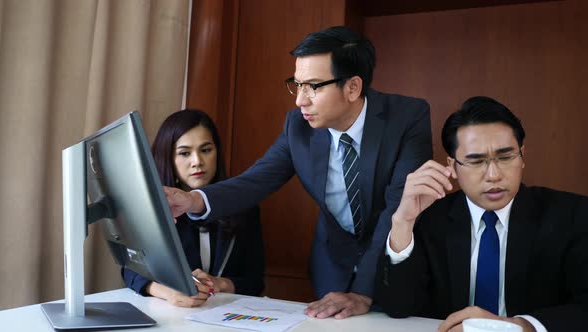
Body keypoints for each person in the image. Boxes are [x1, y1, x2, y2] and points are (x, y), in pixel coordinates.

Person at [164, 26, 432, 318]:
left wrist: (362, 292)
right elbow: (256, 180)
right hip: (333, 272)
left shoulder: (407, 118)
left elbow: (397, 207)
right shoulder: (298, 126)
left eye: (313, 87)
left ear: (353, 87)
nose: (300, 100)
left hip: (392, 270)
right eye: (297, 84)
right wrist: (193, 200)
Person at [374, 96, 588, 331]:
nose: (494, 175)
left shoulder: (572, 215)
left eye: (506, 157)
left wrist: (522, 326)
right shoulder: (431, 219)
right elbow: (398, 307)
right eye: (476, 162)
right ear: (453, 166)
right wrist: (402, 222)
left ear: (522, 156)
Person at [122, 109, 264, 307]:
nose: (197, 162)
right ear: (168, 158)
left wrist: (219, 283)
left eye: (206, 150)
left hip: (225, 315)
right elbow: (131, 271)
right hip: (170, 314)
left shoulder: (243, 207)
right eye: (185, 153)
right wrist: (169, 292)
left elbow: (254, 281)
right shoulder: (151, 207)